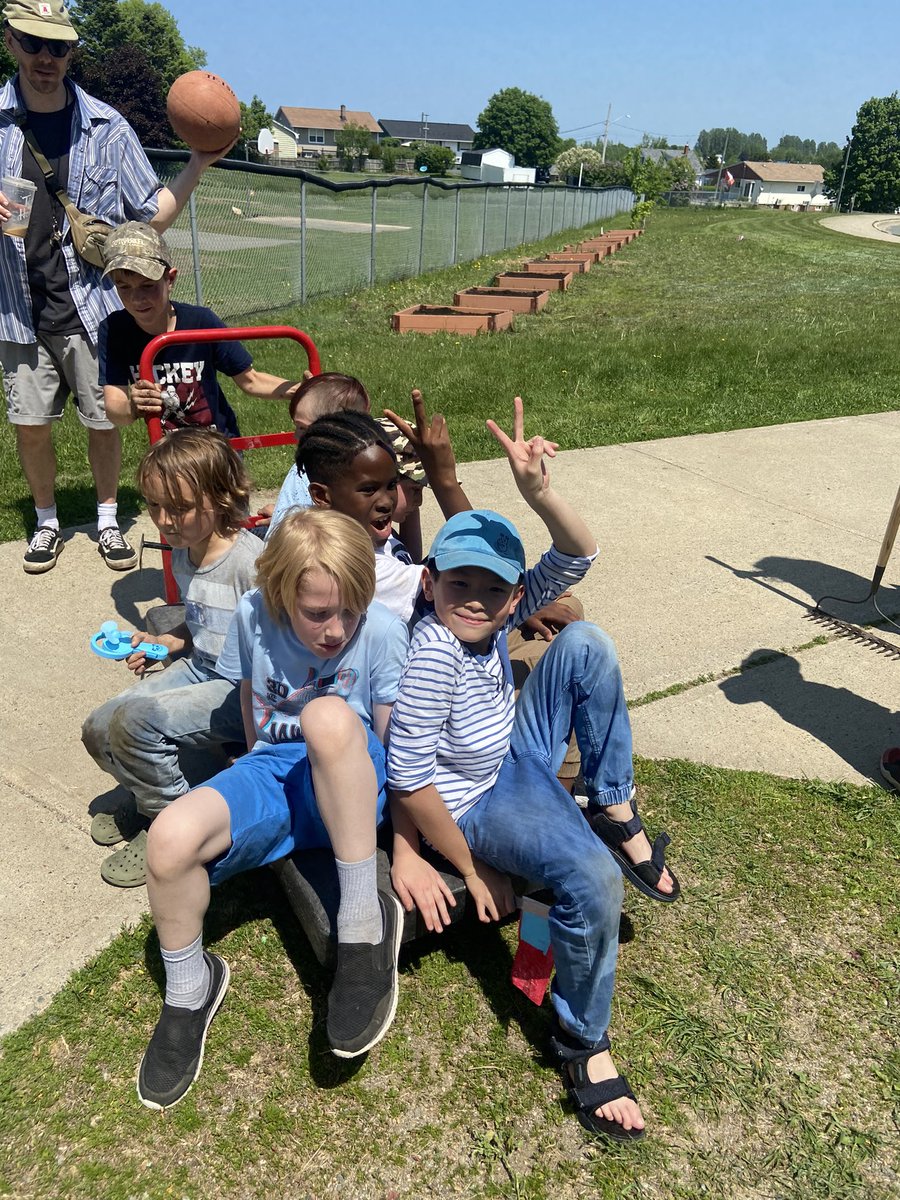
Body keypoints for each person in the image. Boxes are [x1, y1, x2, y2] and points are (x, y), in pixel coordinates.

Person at [387, 398, 679, 1143]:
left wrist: (538, 492)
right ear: (430, 584)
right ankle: (584, 1041)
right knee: (593, 880)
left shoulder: (497, 614)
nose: (476, 601)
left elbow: (579, 554)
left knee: (586, 644)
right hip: (480, 799)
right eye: (459, 585)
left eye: (493, 589)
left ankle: (612, 803)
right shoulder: (432, 658)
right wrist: (470, 868)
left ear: (515, 596)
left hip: (514, 747)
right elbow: (410, 782)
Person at [135, 508, 408, 1109]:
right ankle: (189, 990)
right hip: (275, 774)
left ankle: (365, 925)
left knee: (326, 716)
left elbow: (393, 748)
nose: (337, 630)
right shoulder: (253, 615)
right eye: (318, 613)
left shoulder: (384, 633)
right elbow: (250, 707)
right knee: (170, 837)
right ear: (281, 592)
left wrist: (408, 848)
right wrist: (241, 785)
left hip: (350, 775)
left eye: (350, 611)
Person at [0, 0, 234, 575]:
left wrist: (198, 164)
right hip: (18, 309)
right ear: (10, 42)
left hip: (95, 305)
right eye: (33, 43)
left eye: (58, 46)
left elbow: (147, 215)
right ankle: (47, 521)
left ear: (72, 50)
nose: (45, 58)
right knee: (31, 427)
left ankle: (107, 519)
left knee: (104, 420)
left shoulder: (106, 125)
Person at [81, 429, 261, 888]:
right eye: (154, 505)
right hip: (201, 667)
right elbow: (200, 629)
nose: (164, 519)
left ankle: (170, 827)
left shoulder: (248, 565)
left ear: (221, 498)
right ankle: (147, 797)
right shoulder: (186, 552)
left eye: (178, 508)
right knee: (98, 726)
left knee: (134, 723)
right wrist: (160, 644)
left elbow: (272, 647)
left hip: (237, 690)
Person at [98, 222, 301, 437]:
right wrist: (132, 407)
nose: (137, 299)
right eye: (124, 287)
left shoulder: (201, 322)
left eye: (148, 285)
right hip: (170, 452)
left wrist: (303, 390)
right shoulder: (114, 330)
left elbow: (251, 381)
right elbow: (114, 407)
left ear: (170, 279)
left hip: (218, 445)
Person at [296, 404, 470, 624]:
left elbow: (407, 557)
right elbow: (480, 568)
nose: (386, 501)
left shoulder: (354, 536)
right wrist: (445, 480)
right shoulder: (368, 570)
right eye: (369, 489)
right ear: (321, 495)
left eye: (392, 484)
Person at [266, 371, 370, 532]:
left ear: (336, 428)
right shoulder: (370, 464)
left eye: (302, 427)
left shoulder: (304, 472)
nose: (295, 435)